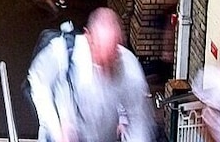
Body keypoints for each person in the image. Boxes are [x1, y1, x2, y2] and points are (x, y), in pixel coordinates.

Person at [28, 8, 154, 142]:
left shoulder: (128, 66)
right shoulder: (63, 52)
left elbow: (138, 118)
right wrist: (56, 130)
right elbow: (39, 81)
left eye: (113, 53)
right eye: (101, 52)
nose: (107, 64)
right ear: (88, 37)